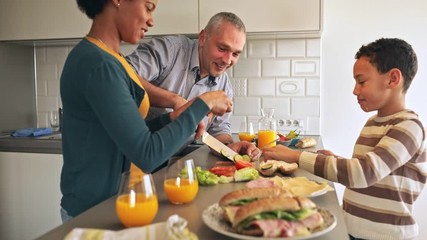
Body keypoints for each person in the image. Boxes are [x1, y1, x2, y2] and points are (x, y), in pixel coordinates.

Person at [59, 0, 258, 222]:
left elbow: (138, 134)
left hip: (122, 200)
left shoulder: (109, 60)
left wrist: (173, 118)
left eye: (235, 53)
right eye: (148, 7)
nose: (151, 20)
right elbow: (147, 154)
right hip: (93, 211)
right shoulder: (100, 64)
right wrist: (200, 104)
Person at [262, 38, 427, 240]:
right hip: (354, 230)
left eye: (361, 81)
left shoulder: (408, 127)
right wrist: (337, 159)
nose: (355, 90)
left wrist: (297, 156)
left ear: (392, 79)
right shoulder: (373, 123)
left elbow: (362, 173)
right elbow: (370, 171)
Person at [126, 12, 246, 147]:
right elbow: (122, 76)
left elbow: (218, 131)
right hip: (134, 150)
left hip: (180, 159)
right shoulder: (169, 50)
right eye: (222, 48)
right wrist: (175, 101)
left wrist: (230, 147)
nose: (227, 60)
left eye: (235, 54)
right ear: (202, 38)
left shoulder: (224, 86)